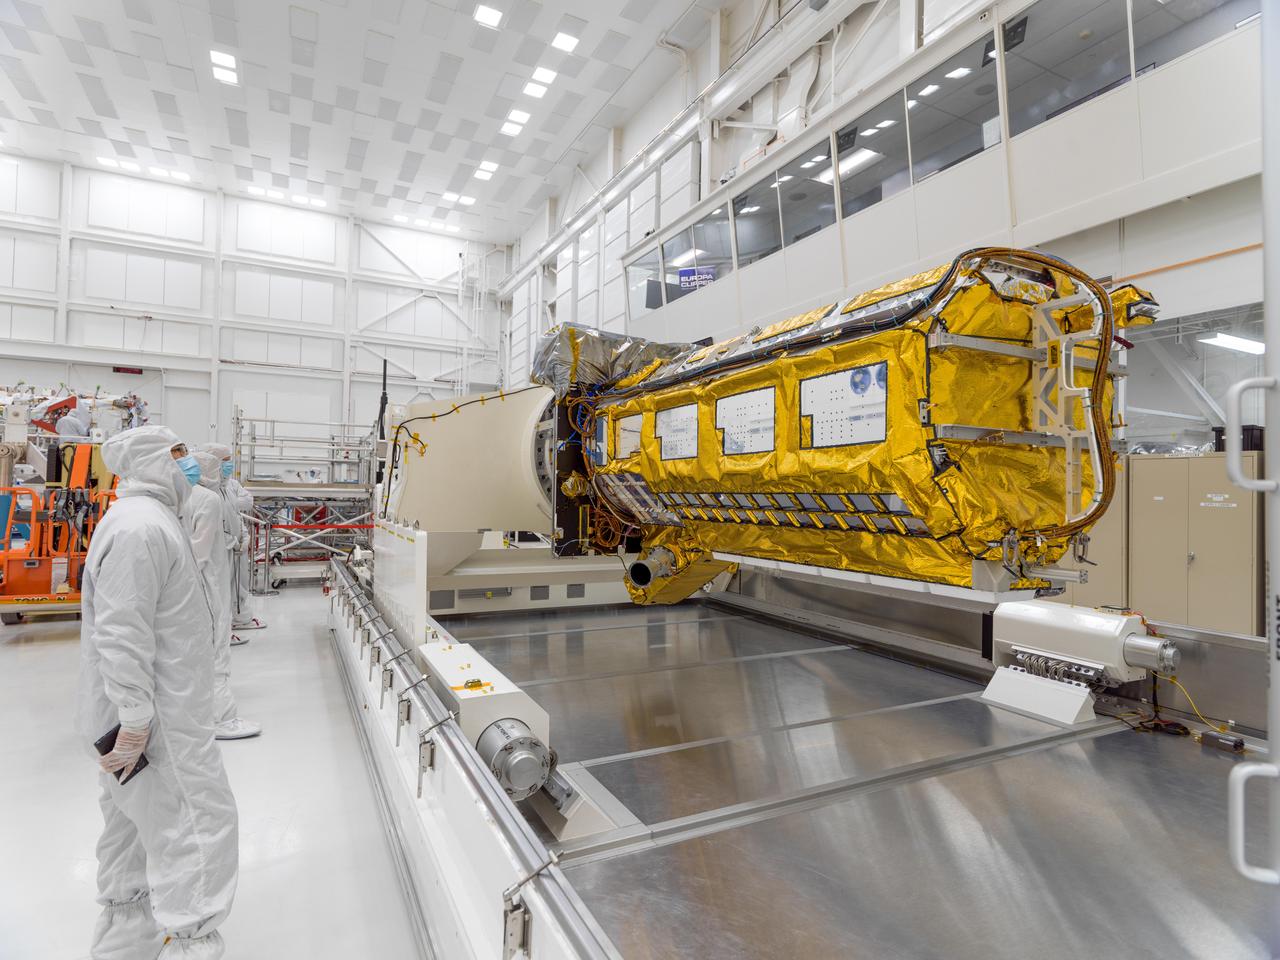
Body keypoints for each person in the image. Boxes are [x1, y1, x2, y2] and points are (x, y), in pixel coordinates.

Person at [76, 426, 238, 959]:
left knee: (127, 828)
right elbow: (122, 632)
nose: (187, 464)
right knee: (196, 827)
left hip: (139, 716)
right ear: (149, 461)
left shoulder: (146, 520)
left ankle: (125, 942)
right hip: (156, 723)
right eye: (177, 454)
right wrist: (137, 718)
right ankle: (191, 943)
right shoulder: (142, 528)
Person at [187, 449, 262, 740]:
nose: (227, 468)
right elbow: (200, 550)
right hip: (207, 582)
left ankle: (209, 713)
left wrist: (239, 537)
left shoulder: (213, 493)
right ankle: (220, 718)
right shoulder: (204, 498)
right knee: (214, 651)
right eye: (223, 464)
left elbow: (238, 513)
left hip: (213, 575)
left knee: (210, 647)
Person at [204, 444, 266, 636]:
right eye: (225, 461)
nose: (229, 464)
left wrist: (243, 537)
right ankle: (220, 631)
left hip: (234, 547)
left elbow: (237, 514)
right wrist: (232, 540)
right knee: (219, 589)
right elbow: (212, 527)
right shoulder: (209, 492)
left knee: (238, 583)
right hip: (220, 550)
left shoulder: (227, 488)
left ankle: (238, 620)